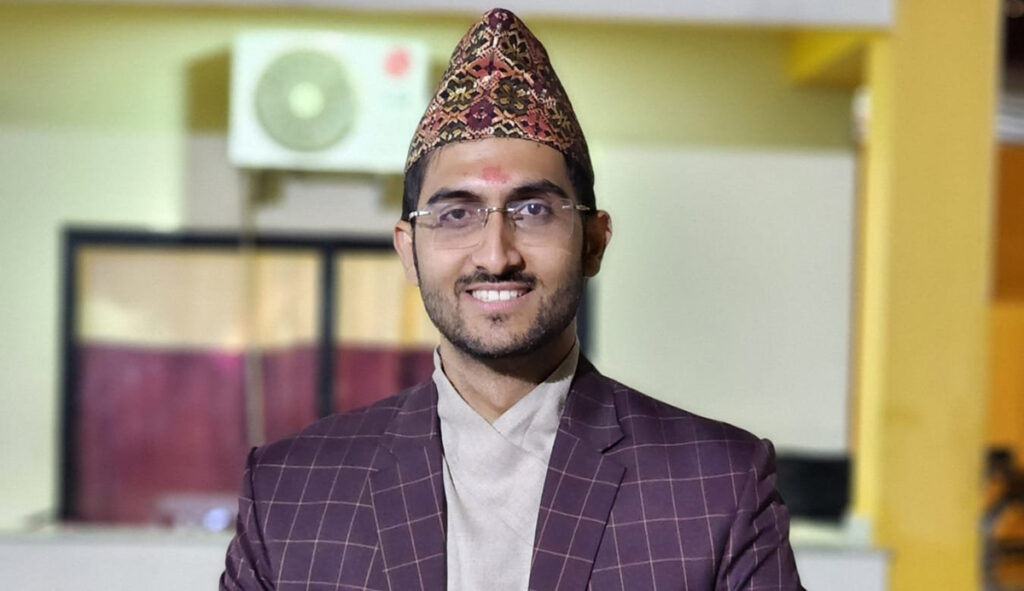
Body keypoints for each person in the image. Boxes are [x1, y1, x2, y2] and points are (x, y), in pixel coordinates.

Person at [222, 8, 803, 591]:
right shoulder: (291, 491)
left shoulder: (714, 487)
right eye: (456, 214)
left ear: (594, 242)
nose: (496, 254)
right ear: (408, 250)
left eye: (533, 210)